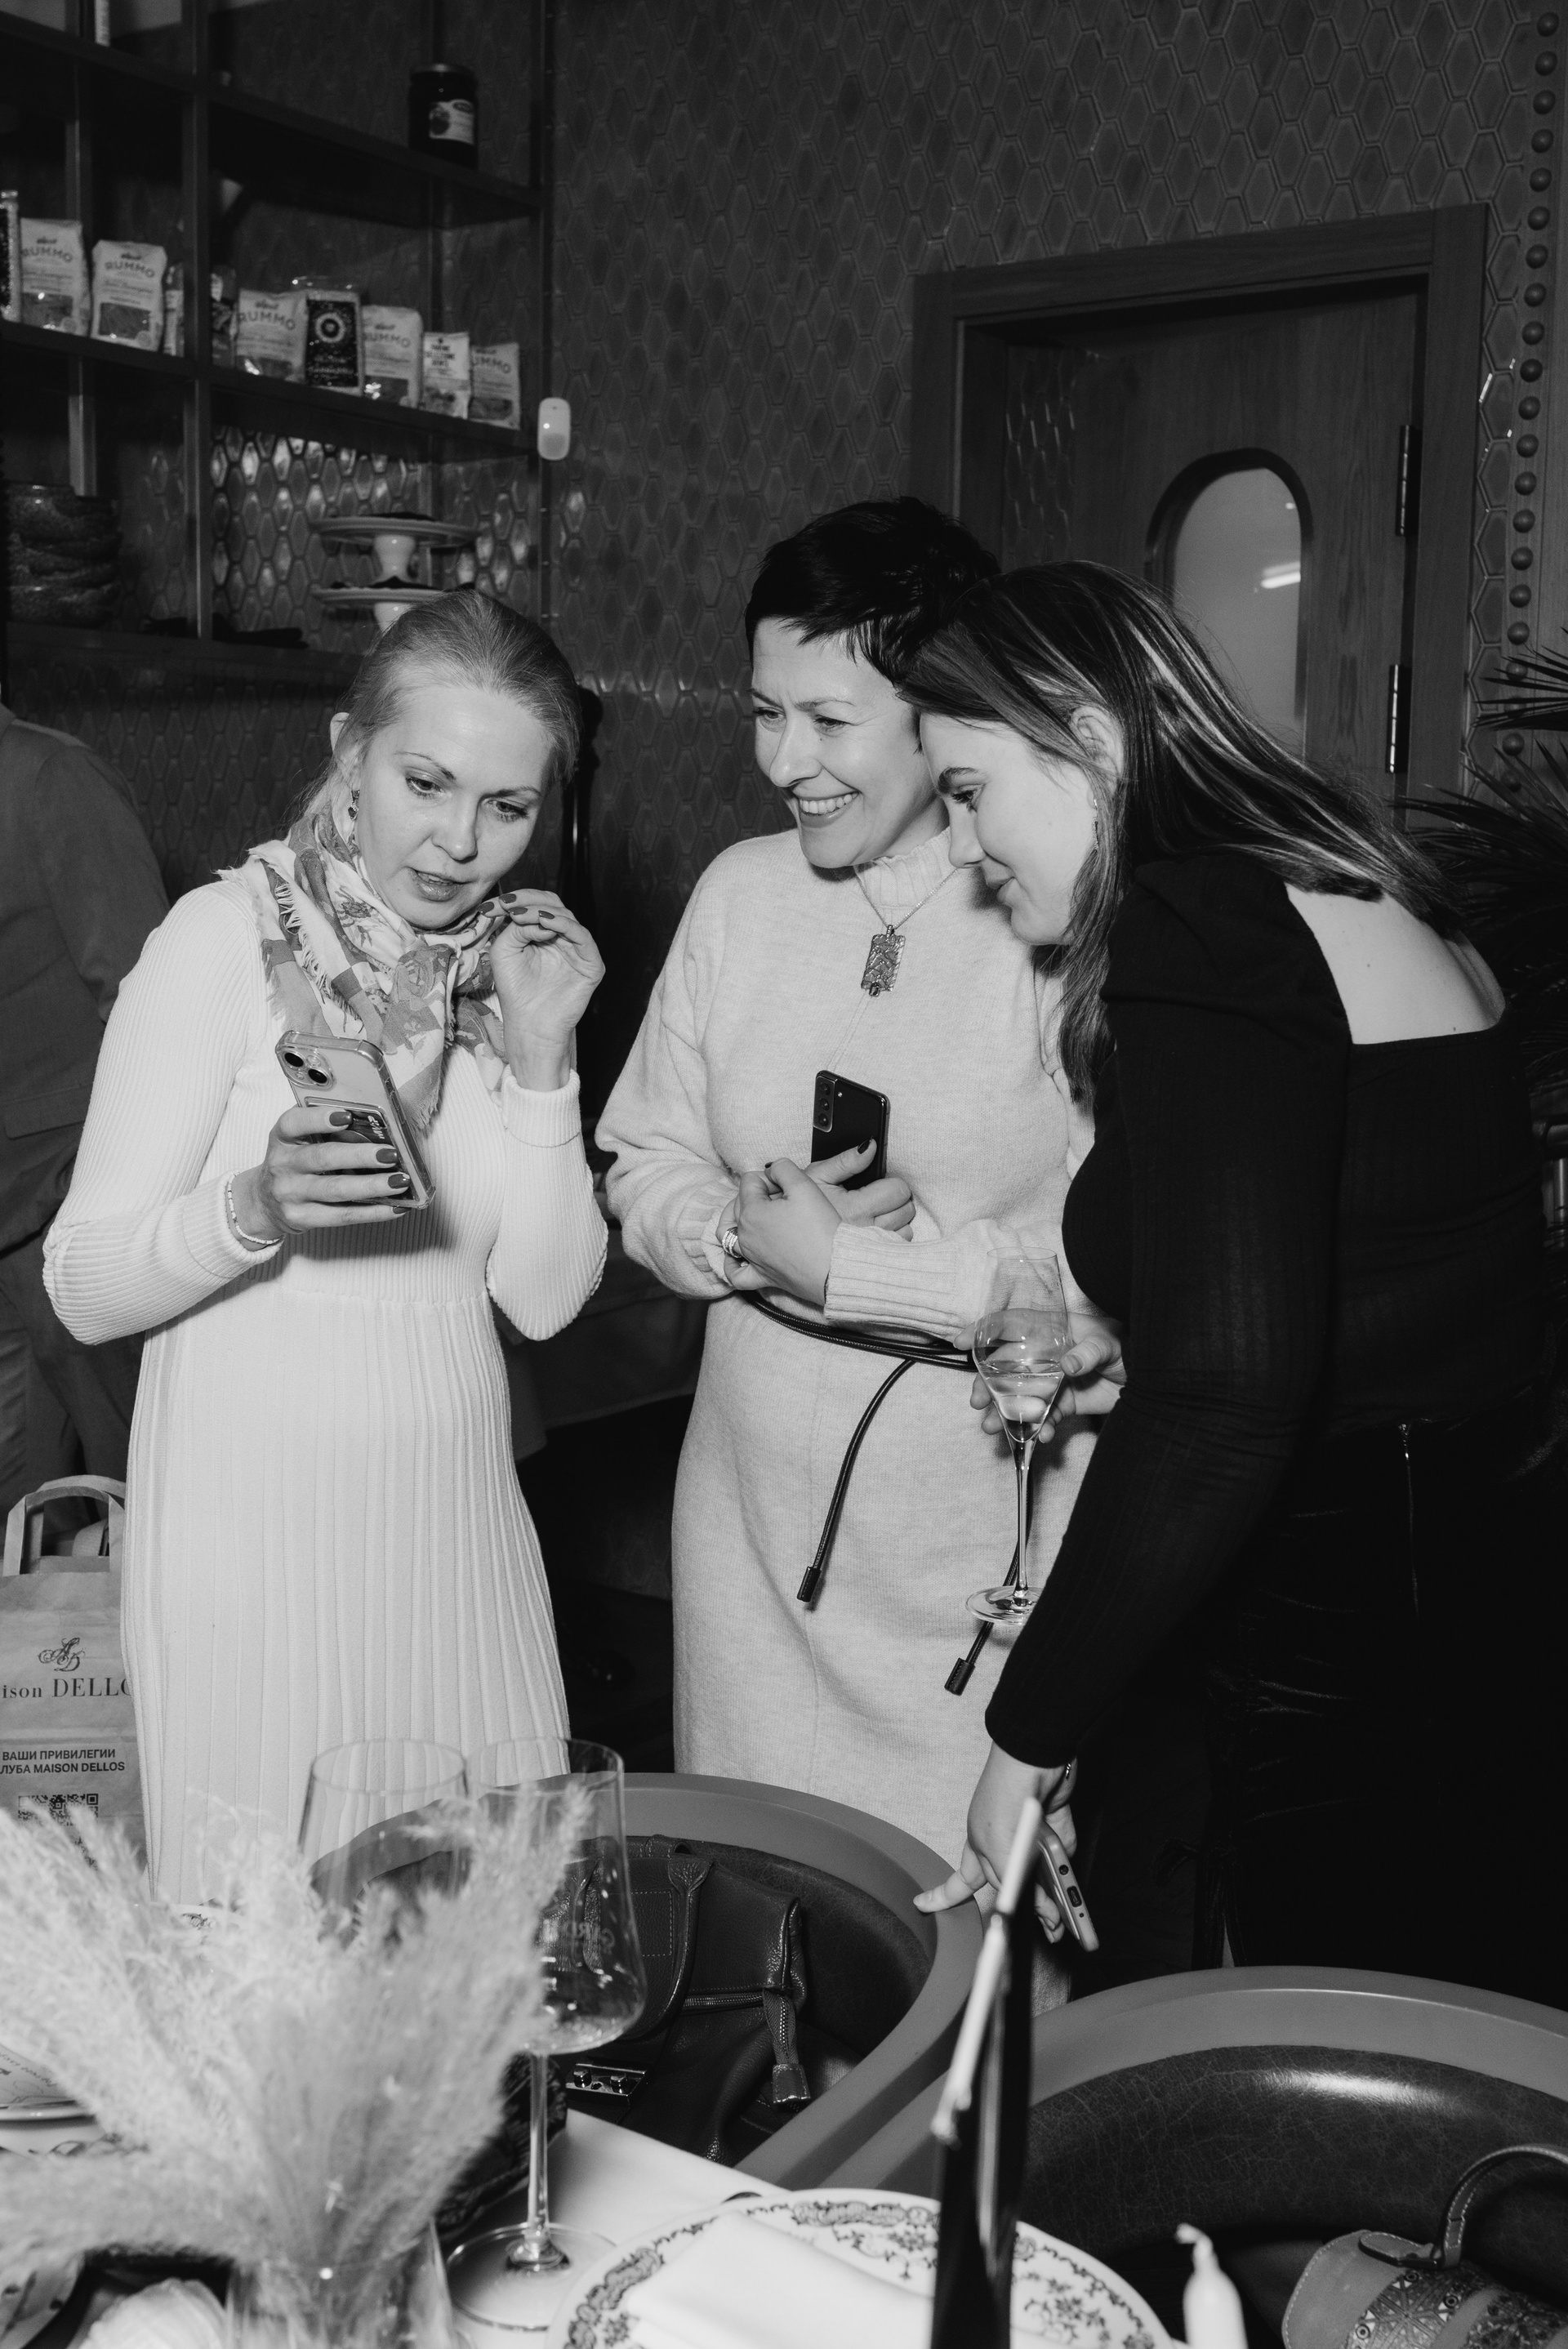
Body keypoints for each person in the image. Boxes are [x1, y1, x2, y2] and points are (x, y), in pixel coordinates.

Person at [910, 564, 1563, 2006]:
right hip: (1480, 1581)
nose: (958, 846)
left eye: (967, 790)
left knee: (1340, 2087)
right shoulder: (1361, 878)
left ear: (1087, 738)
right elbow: (1395, 1260)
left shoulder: (1199, 919)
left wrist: (1025, 1739)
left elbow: (1224, 1402)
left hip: (1353, 1633)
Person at [45, 594, 608, 1901]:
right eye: (426, 783)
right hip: (255, 1550)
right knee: (277, 1961)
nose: (460, 843)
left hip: (459, 1541)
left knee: (494, 1951)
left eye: (508, 807)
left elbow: (540, 1298)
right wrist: (255, 1208)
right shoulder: (222, 942)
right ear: (351, 757)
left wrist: (544, 1061)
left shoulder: (499, 972)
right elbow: (81, 1285)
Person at [598, 500, 1098, 1861]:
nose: (783, 762)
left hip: (971, 1564)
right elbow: (643, 1154)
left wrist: (849, 1269)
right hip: (745, 1549)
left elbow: (1112, 1299)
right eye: (765, 713)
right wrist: (732, 1233)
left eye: (828, 720)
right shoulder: (738, 896)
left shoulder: (1057, 920)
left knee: (963, 1945)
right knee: (754, 1920)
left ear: (948, 712)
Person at [0, 699, 167, 1525]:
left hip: (65, 1205)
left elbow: (153, 1010)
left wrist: (94, 1190)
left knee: (133, 1492)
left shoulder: (50, 777)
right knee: (28, 1523)